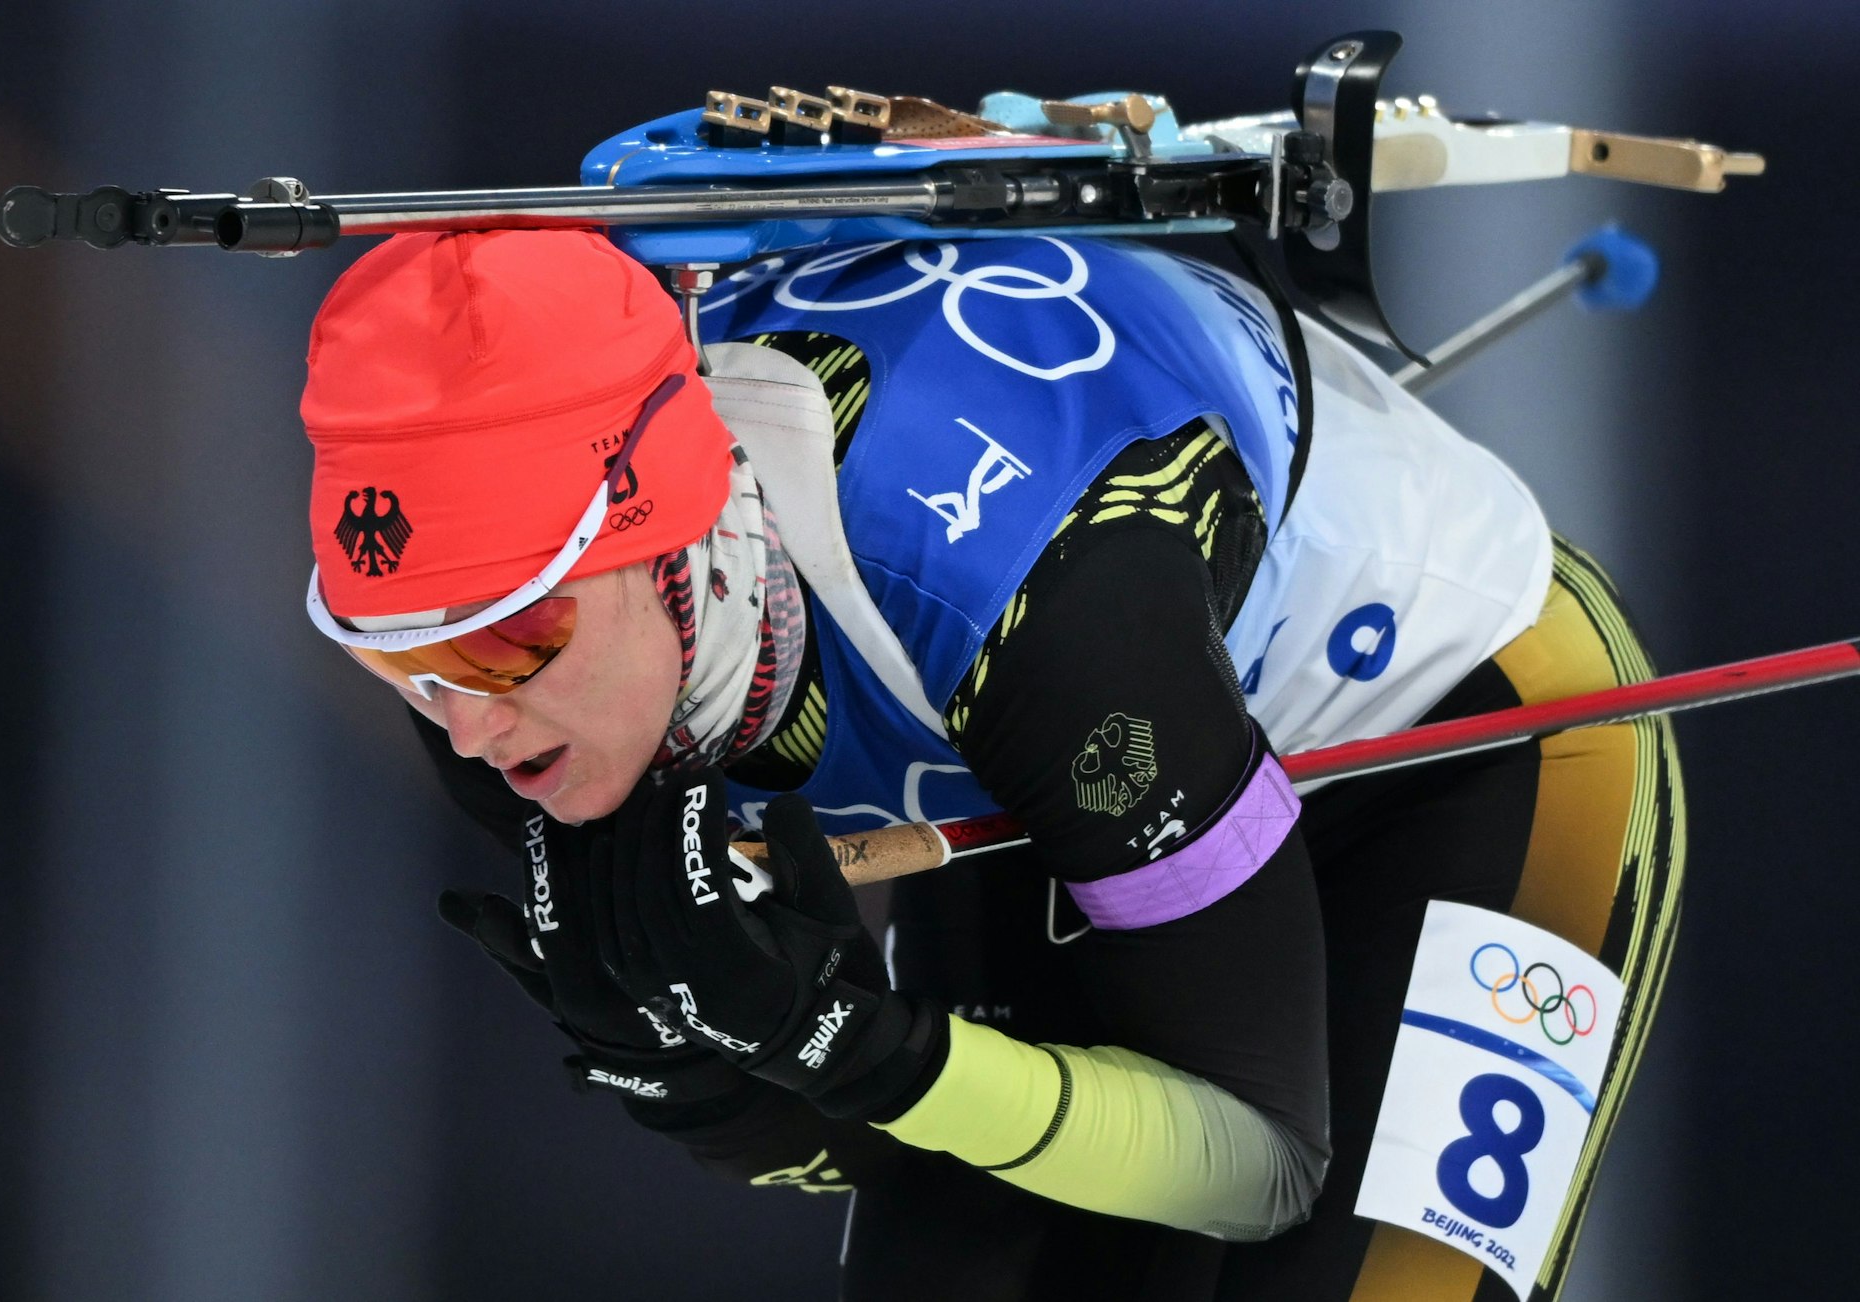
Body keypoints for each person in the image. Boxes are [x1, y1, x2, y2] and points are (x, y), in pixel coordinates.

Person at [298, 227, 1683, 1300]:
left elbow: (1261, 1162)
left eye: (511, 639)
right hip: (1031, 792)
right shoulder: (510, 710)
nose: (463, 720)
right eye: (393, 656)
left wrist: (846, 1043)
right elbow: (888, 1147)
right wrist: (726, 1067)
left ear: (676, 544)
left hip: (1453, 741)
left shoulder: (1020, 593)